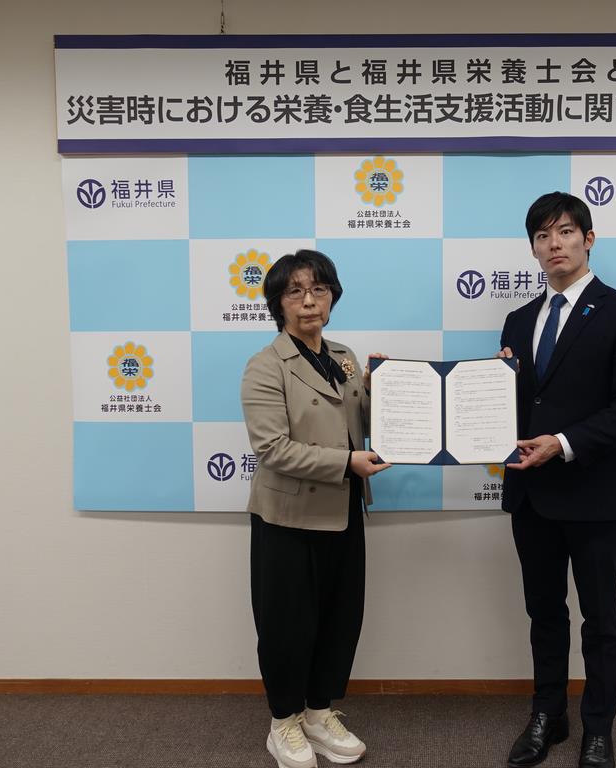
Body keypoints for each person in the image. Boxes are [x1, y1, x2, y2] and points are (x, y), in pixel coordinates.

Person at [498, 192, 616, 768]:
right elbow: (511, 406)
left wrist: (564, 444)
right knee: (544, 614)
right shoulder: (519, 320)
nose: (554, 244)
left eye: (565, 232)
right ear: (533, 248)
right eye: (542, 236)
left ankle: (598, 728)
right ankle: (548, 715)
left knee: (600, 620)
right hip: (531, 496)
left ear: (588, 239)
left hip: (593, 493)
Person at [241, 249, 390, 768]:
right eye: (296, 291)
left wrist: (383, 390)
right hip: (288, 518)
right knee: (287, 625)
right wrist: (347, 462)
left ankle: (318, 711)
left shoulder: (344, 356)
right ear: (278, 303)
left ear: (332, 297)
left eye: (319, 289)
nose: (309, 301)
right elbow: (273, 449)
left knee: (340, 618)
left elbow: (365, 421)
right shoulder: (265, 366)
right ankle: (283, 722)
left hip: (344, 511)